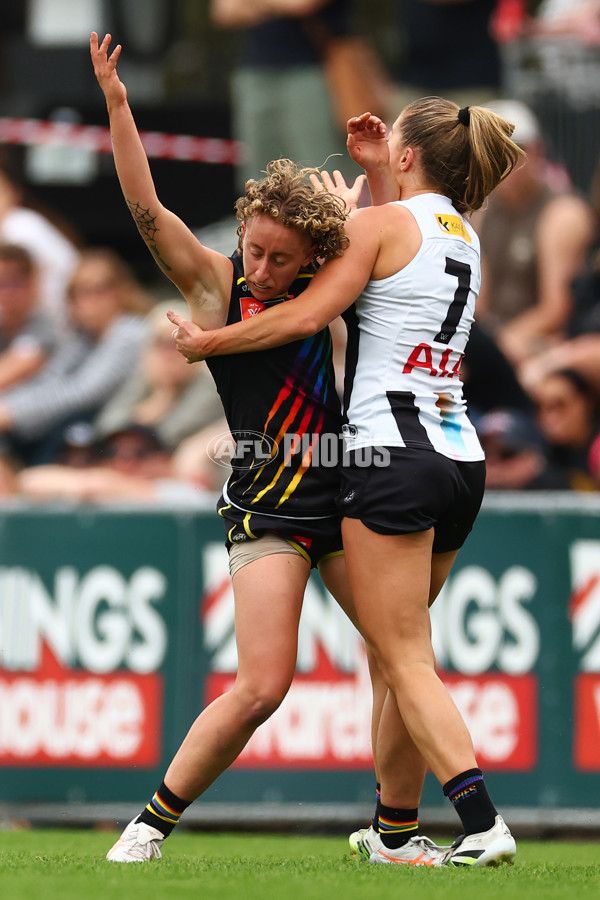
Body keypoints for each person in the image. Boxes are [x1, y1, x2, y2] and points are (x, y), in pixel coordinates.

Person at [168, 100, 524, 867]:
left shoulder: (374, 226)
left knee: (400, 657)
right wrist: (370, 182)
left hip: (387, 457)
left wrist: (210, 341)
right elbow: (400, 262)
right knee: (400, 653)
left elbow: (304, 318)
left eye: (389, 143)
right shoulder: (463, 236)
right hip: (459, 460)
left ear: (407, 157)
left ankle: (483, 820)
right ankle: (394, 832)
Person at [90, 32, 401, 866]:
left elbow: (396, 240)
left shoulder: (328, 280)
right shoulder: (215, 284)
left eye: (280, 257)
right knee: (264, 686)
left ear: (312, 256)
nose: (260, 268)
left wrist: (372, 180)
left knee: (399, 664)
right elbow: (147, 214)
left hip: (341, 495)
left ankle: (392, 832)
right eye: (254, 249)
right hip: (267, 506)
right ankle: (148, 825)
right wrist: (120, 109)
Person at [472, 99, 595, 366]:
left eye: (503, 153)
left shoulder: (562, 213)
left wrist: (497, 346)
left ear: (534, 152)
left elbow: (556, 309)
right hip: (498, 338)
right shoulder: (482, 211)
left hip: (545, 344)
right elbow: (479, 300)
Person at [0, 247, 150, 466]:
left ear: (121, 291)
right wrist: (8, 408)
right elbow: (50, 380)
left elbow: (83, 392)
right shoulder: (84, 337)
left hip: (125, 443)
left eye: (98, 290)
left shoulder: (129, 331)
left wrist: (12, 413)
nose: (88, 302)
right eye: (78, 293)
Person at [93, 300, 224, 451]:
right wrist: (156, 400)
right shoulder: (145, 377)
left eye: (179, 342)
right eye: (161, 343)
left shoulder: (210, 383)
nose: (169, 354)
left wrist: (164, 396)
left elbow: (167, 437)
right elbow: (104, 427)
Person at [0, 243, 58, 392]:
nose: (7, 292)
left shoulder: (44, 329)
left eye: (14, 282)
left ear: (32, 284)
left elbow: (7, 375)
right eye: (1, 283)